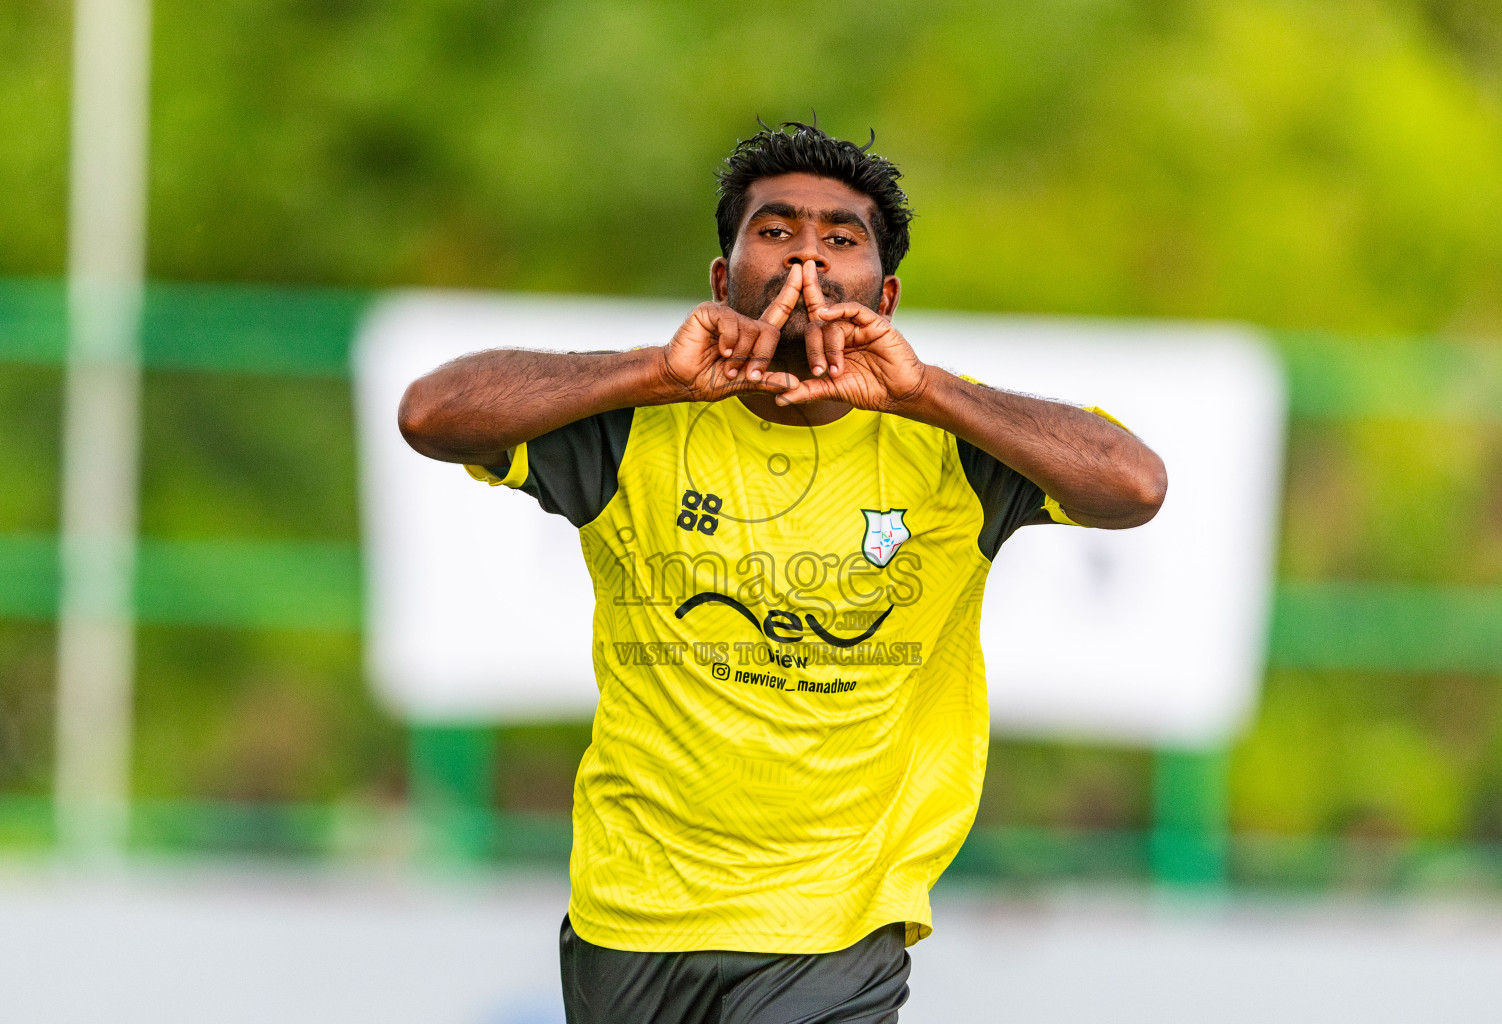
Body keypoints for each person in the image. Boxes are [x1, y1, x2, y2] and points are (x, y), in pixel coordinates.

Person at [397, 121, 1166, 1024]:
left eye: (841, 239)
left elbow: (1135, 484)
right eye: (775, 231)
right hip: (633, 915)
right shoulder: (636, 426)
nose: (808, 257)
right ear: (725, 281)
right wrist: (653, 370)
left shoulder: (951, 449)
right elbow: (430, 414)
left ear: (884, 294)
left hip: (834, 929)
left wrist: (927, 392)